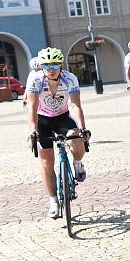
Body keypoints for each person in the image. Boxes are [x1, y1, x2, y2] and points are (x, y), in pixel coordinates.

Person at [25, 47, 90, 219]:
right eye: (47, 65)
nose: (51, 68)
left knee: (76, 138)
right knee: (46, 162)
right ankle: (53, 201)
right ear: (42, 66)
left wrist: (82, 128)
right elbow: (31, 107)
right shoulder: (36, 80)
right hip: (42, 120)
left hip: (62, 118)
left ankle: (77, 163)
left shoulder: (70, 79)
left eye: (55, 65)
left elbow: (75, 105)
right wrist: (33, 131)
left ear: (61, 65)